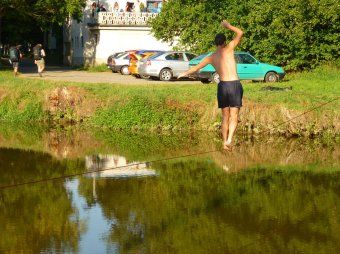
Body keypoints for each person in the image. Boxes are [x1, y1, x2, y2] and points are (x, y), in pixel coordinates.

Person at [178, 20, 244, 150]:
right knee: (234, 115)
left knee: (225, 116)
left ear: (215, 43)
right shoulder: (230, 48)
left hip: (223, 86)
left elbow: (195, 68)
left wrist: (183, 73)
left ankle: (224, 142)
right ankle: (230, 140)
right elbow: (240, 32)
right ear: (224, 42)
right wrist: (228, 26)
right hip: (235, 84)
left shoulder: (211, 57)